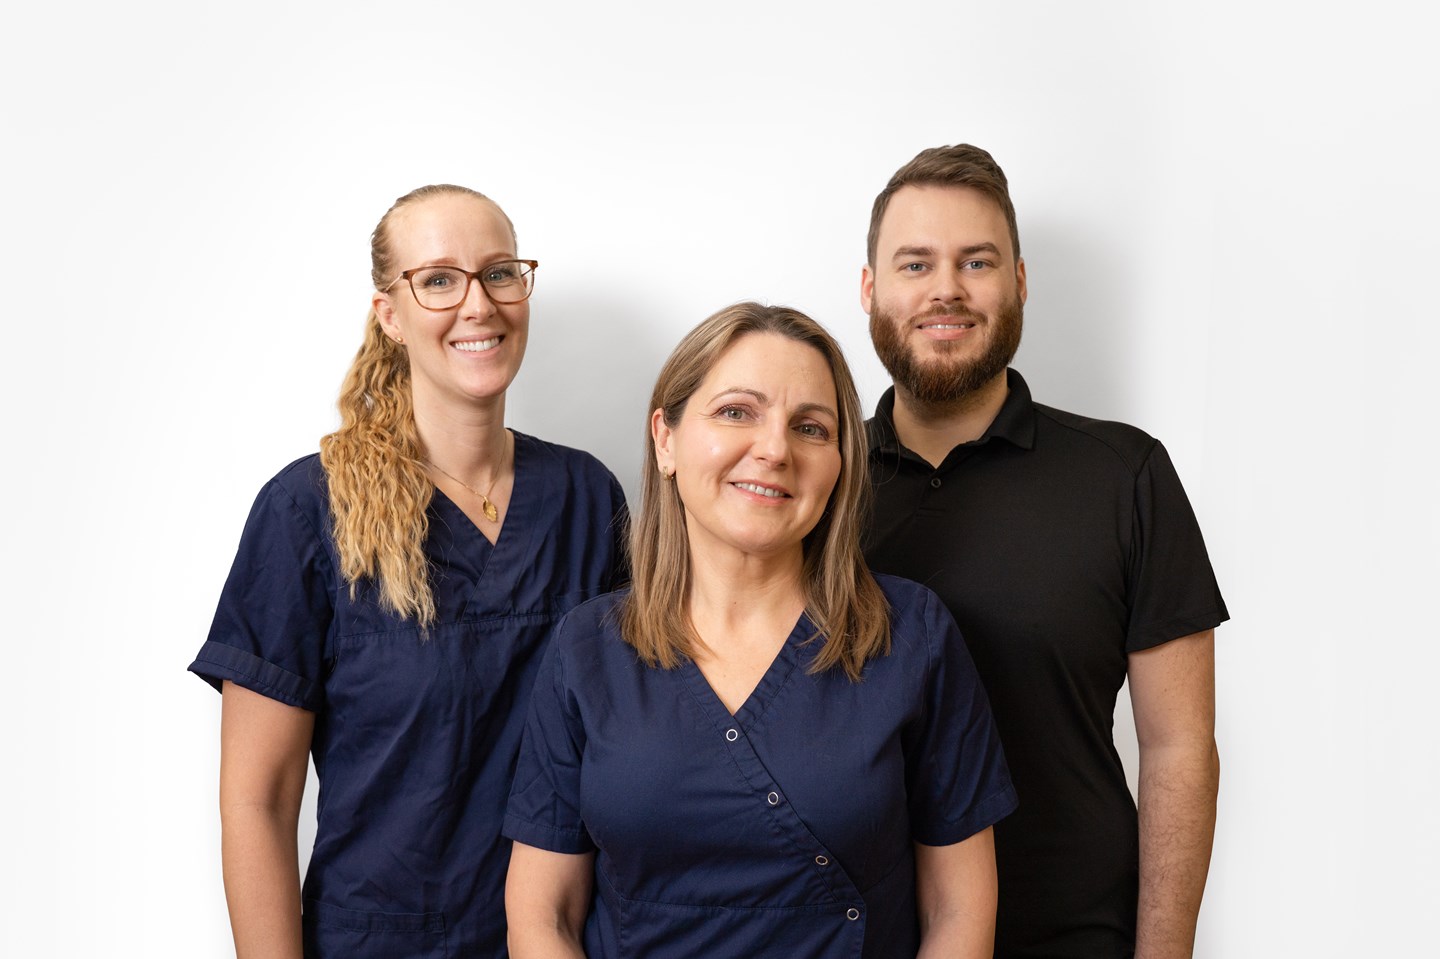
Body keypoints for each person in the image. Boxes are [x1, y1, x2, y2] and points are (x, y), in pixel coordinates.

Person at [188, 184, 628, 958]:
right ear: (389, 313)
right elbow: (259, 801)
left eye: (499, 272)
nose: (478, 304)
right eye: (439, 280)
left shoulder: (587, 499)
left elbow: (631, 749)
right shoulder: (307, 512)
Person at [503, 302, 1017, 958]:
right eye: (736, 412)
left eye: (810, 427)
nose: (775, 449)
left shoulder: (912, 636)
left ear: (839, 463)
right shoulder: (587, 649)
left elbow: (959, 909)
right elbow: (542, 915)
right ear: (666, 439)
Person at [859, 144, 1229, 959]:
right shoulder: (812, 488)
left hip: (1074, 936)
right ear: (870, 289)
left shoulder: (1124, 475)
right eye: (916, 263)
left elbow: (1178, 748)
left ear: (1019, 282)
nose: (946, 289)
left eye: (977, 261)